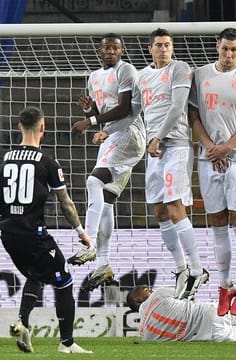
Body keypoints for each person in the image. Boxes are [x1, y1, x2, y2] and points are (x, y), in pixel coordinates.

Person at [0, 107, 92, 354]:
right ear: (42, 128)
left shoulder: (2, 159)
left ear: (19, 126)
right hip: (35, 234)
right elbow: (66, 203)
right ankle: (67, 343)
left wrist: (10, 209)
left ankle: (22, 323)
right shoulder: (48, 163)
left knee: (37, 275)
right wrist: (80, 231)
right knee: (64, 280)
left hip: (8, 235)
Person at [188, 27, 236, 316]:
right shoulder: (201, 75)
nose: (229, 54)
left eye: (234, 49)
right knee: (217, 220)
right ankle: (224, 285)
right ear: (216, 48)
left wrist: (227, 147)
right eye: (224, 49)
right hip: (209, 158)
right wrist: (211, 147)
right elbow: (193, 115)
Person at [66, 33, 146, 292]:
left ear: (122, 52)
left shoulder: (126, 70)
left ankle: (87, 246)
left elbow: (125, 110)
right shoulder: (93, 78)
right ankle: (103, 263)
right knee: (107, 199)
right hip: (114, 135)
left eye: (116, 48)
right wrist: (90, 111)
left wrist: (89, 122)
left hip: (130, 132)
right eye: (107, 48)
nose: (111, 52)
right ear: (99, 51)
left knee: (93, 181)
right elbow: (104, 114)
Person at [131, 28, 208, 300]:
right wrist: (99, 122)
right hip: (154, 151)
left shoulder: (180, 68)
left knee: (176, 207)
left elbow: (178, 107)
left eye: (167, 45)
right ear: (150, 49)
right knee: (160, 212)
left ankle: (198, 269)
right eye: (159, 45)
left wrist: (157, 137)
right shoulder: (142, 76)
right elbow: (134, 111)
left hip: (175, 146)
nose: (164, 49)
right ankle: (182, 269)